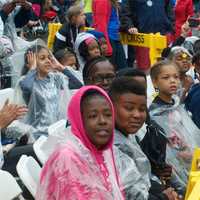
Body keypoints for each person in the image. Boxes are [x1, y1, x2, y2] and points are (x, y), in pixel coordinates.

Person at [36, 86, 124, 200]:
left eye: (108, 115)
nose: (102, 121)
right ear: (79, 120)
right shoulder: (67, 158)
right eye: (93, 116)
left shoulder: (102, 150)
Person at [109, 77, 179, 200]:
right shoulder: (113, 145)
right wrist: (163, 197)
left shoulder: (130, 137)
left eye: (142, 109)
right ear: (111, 108)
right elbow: (130, 194)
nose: (137, 115)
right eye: (129, 108)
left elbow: (141, 181)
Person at [149, 60, 200, 191]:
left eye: (176, 77)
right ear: (155, 82)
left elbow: (190, 133)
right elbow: (164, 150)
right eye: (166, 78)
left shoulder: (176, 106)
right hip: (175, 170)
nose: (172, 81)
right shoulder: (155, 114)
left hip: (192, 161)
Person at [20, 45, 70, 136]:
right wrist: (32, 69)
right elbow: (27, 87)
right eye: (42, 58)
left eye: (49, 58)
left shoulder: (55, 78)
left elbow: (77, 86)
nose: (48, 61)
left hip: (57, 129)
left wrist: (60, 67)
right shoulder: (26, 80)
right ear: (30, 63)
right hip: (38, 133)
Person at [92, 0, 127, 70]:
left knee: (121, 69)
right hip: (109, 39)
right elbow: (101, 25)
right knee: (112, 70)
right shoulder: (102, 1)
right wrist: (106, 44)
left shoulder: (111, 2)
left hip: (114, 37)